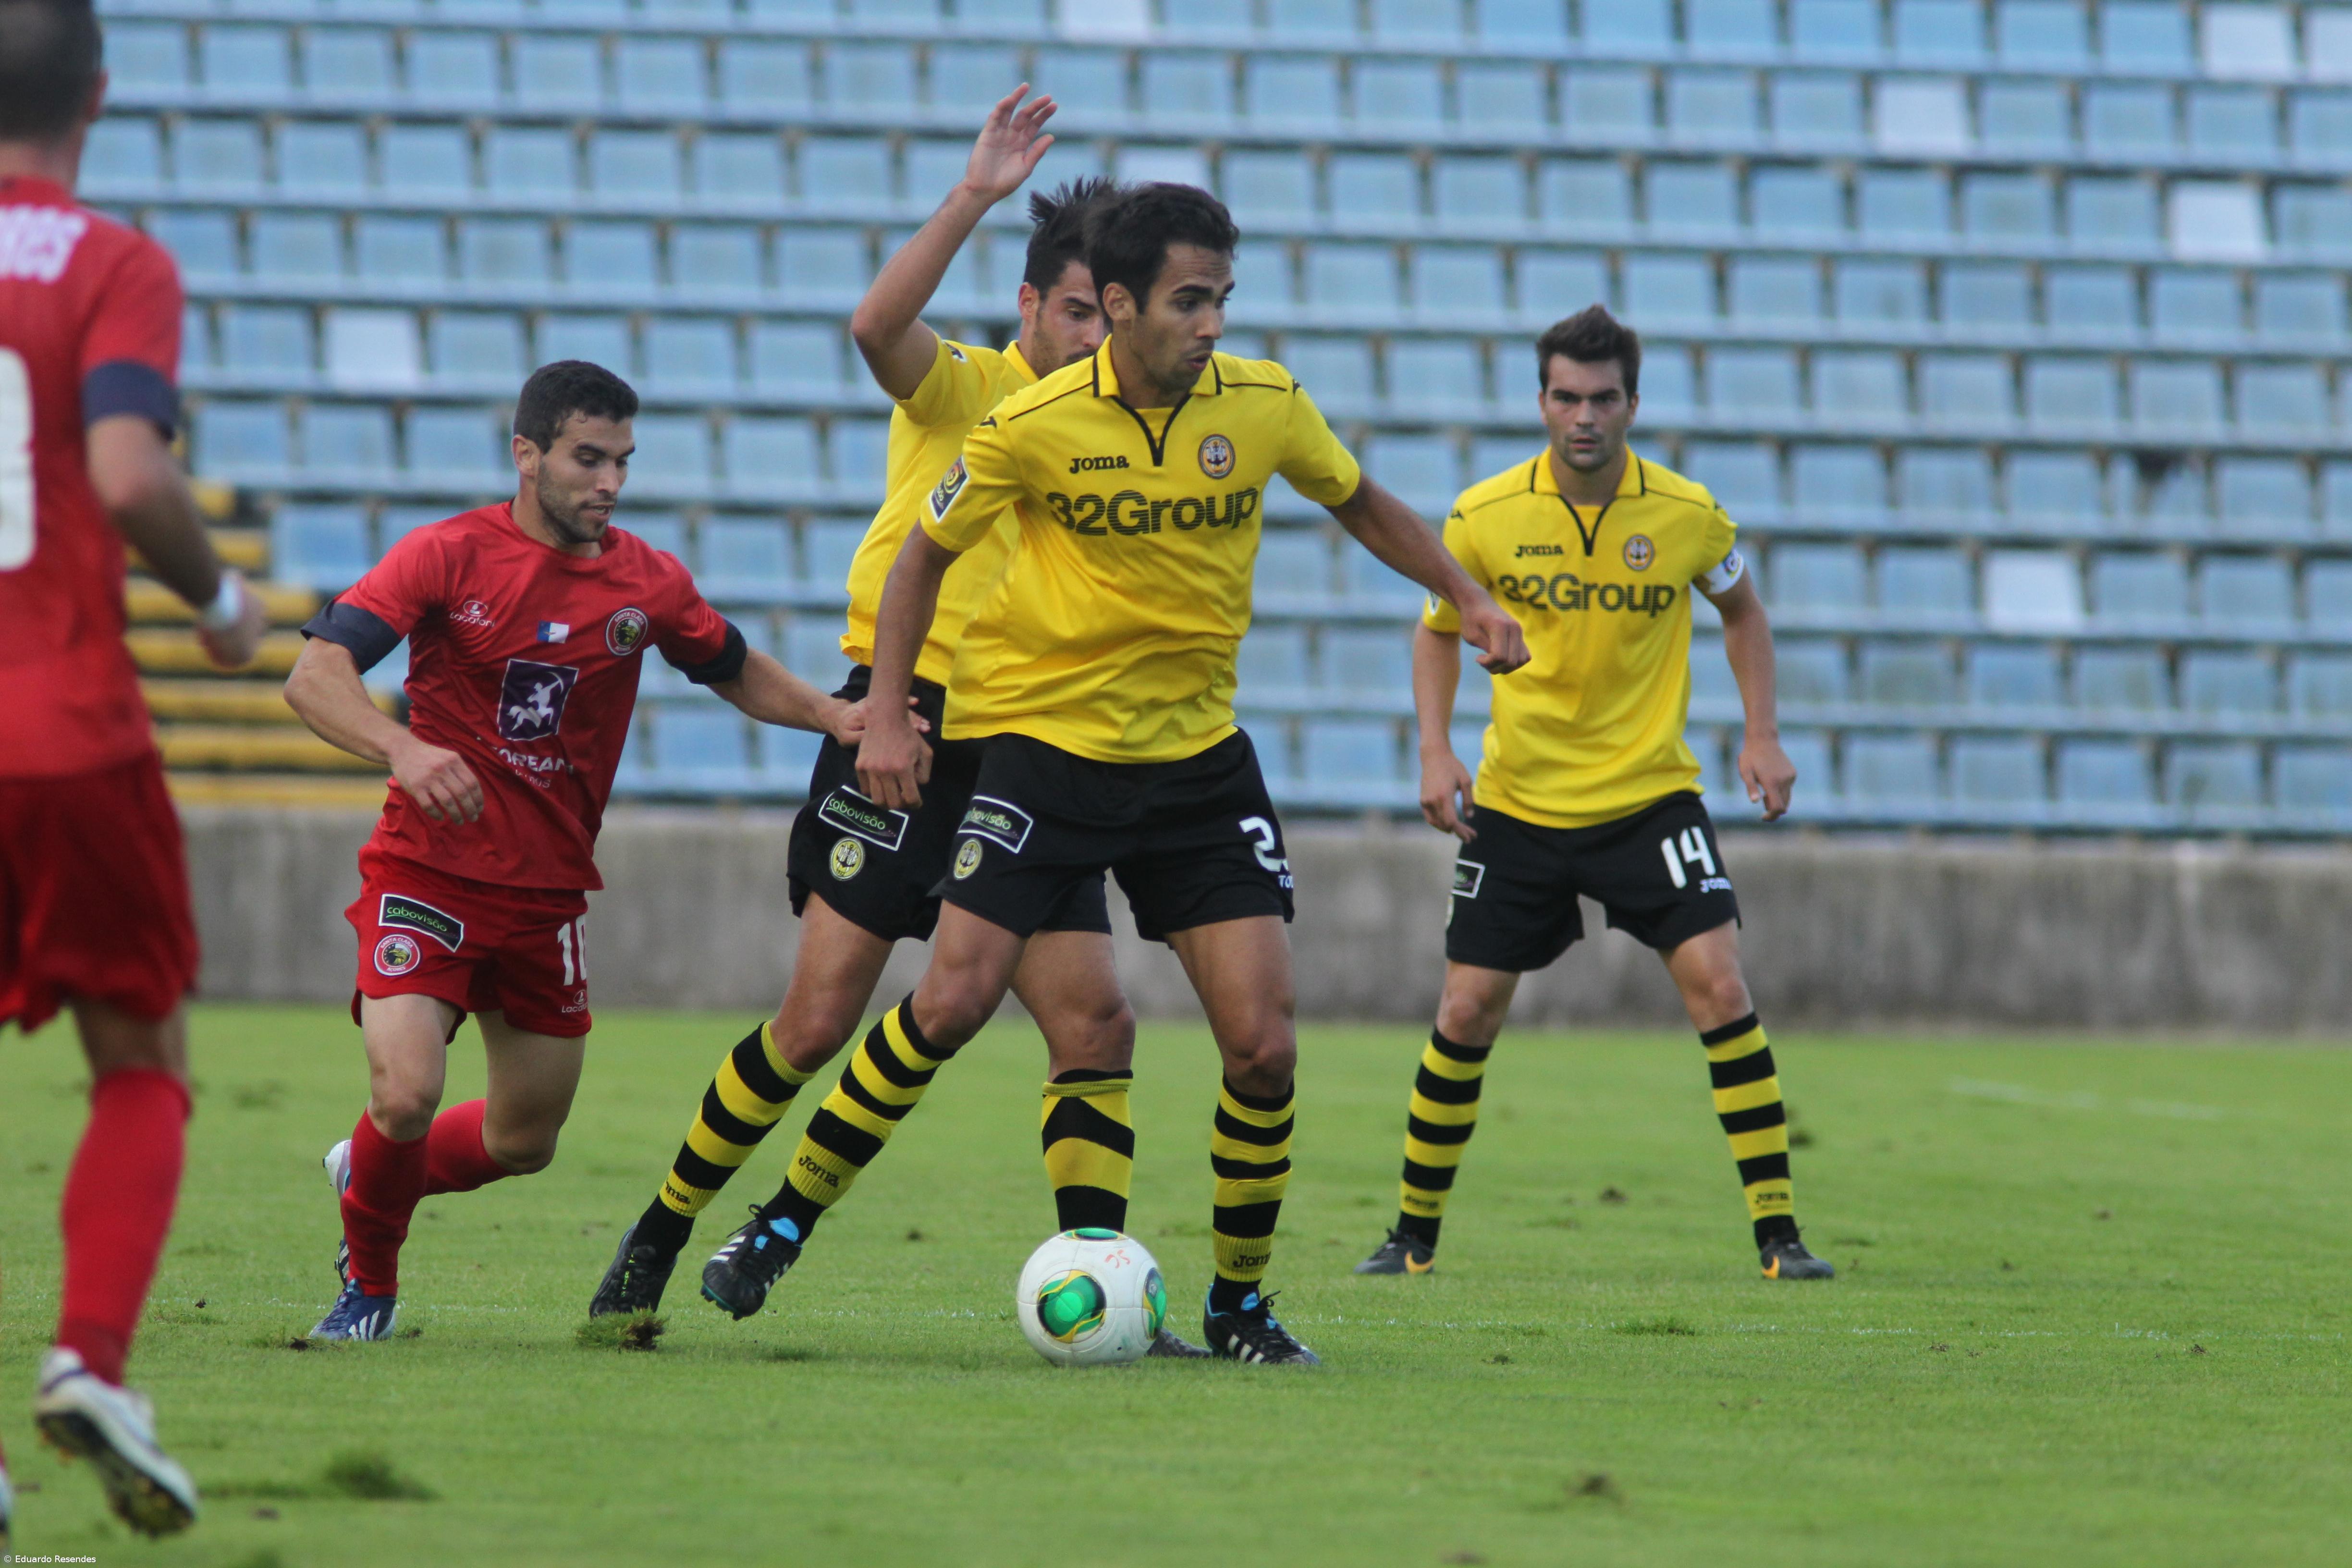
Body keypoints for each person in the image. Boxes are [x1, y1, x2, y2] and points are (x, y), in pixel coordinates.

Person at [810, 181, 1531, 1366]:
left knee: (1266, 1048)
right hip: (1049, 755)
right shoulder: (1029, 423)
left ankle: (1239, 1308)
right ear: (1125, 304)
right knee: (947, 1003)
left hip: (1198, 767)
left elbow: (1362, 503)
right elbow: (918, 563)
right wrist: (884, 712)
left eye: (1222, 301)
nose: (1211, 324)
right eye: (1189, 303)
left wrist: (1465, 593)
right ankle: (785, 1222)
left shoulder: (1262, 403)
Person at [592, 95, 1194, 1352]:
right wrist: (973, 194)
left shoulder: (1123, 435)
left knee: (1094, 1021)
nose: (1094, 334)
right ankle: (662, 1227)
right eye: (1074, 311)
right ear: (1030, 309)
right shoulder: (963, 387)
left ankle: (1103, 1292)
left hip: (1034, 746)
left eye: (1111, 313)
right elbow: (874, 324)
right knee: (817, 1024)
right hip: (899, 727)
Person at [283, 361, 882, 1342]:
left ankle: (370, 1175)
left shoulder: (645, 581)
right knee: (406, 1092)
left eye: (623, 463)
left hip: (549, 898)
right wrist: (401, 746)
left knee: (526, 1141)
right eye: (587, 459)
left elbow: (729, 665)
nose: (609, 482)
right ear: (527, 455)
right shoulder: (445, 556)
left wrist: (831, 716)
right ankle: (369, 1292)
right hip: (427, 874)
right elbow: (316, 675)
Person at [1353, 305, 1834, 1283]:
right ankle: (1410, 1239)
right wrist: (1436, 752)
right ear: (1541, 402)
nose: (1584, 417)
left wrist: (1762, 732)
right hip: (1520, 803)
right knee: (1464, 1012)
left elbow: (1742, 611)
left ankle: (1780, 1237)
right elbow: (1437, 629)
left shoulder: (1688, 515)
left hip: (1649, 797)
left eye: (1603, 399)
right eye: (1566, 398)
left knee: (1722, 986)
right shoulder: (1484, 516)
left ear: (1632, 405)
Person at [0, 0, 270, 1541]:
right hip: (60, 733)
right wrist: (225, 602)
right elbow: (121, 468)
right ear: (97, 96)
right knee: (141, 1060)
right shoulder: (111, 263)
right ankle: (91, 1364)